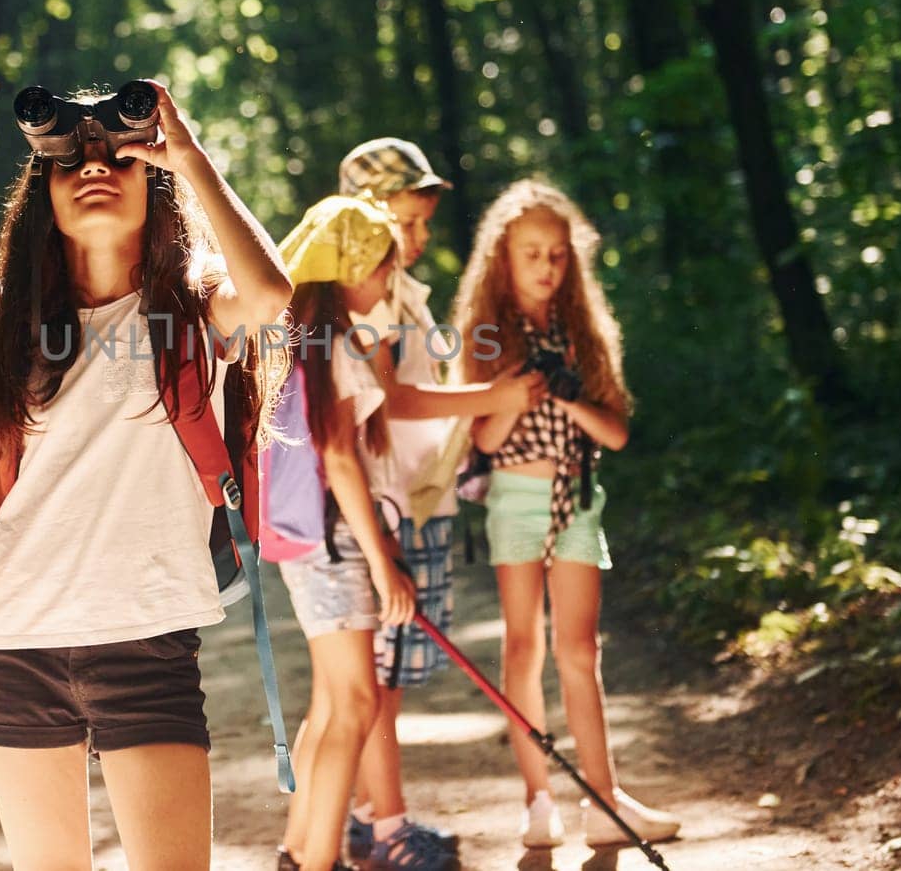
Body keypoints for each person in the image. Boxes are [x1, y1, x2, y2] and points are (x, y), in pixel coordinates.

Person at [0, 80, 291, 871]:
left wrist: (190, 153)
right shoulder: (7, 331)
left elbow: (273, 292)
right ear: (44, 191)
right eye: (71, 159)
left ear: (156, 180)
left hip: (145, 643)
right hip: (10, 647)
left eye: (119, 155)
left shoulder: (193, 310)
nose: (95, 166)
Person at [450, 178, 679, 849]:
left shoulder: (583, 328)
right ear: (503, 257)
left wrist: (571, 397)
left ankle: (604, 800)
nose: (546, 266)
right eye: (532, 254)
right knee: (524, 647)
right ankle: (539, 798)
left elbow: (616, 432)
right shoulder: (488, 333)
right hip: (515, 501)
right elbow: (483, 442)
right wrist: (514, 392)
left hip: (578, 500)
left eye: (557, 254)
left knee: (581, 649)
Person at [336, 139, 537, 869]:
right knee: (379, 681)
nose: (419, 238)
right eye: (408, 222)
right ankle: (388, 828)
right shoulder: (368, 295)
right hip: (389, 502)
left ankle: (366, 814)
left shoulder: (401, 292)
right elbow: (390, 396)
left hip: (418, 498)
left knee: (386, 676)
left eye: (423, 223)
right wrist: (496, 395)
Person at [269, 195, 418, 871]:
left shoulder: (291, 342)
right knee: (355, 704)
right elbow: (338, 457)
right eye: (384, 267)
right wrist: (386, 567)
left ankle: (300, 849)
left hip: (303, 541)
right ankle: (318, 859)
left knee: (332, 703)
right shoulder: (336, 347)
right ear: (354, 270)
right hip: (337, 543)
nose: (389, 280)